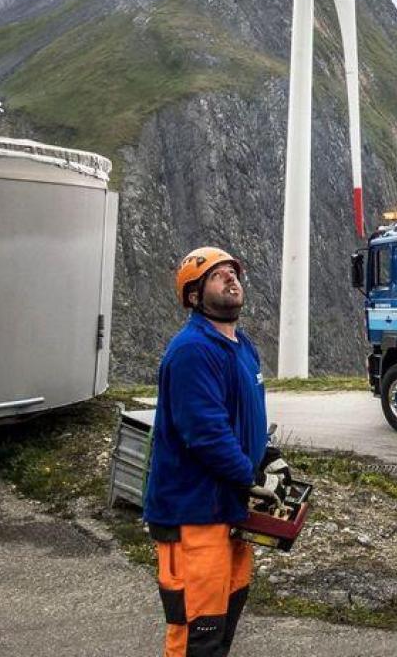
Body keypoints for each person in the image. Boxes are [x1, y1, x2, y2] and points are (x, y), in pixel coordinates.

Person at [143, 246, 280, 657]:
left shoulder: (243, 346)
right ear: (194, 296)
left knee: (221, 629)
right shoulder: (191, 351)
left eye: (233, 272)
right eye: (218, 275)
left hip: (230, 510)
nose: (231, 278)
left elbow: (247, 416)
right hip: (194, 516)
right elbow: (204, 432)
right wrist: (250, 475)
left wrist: (270, 456)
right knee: (195, 637)